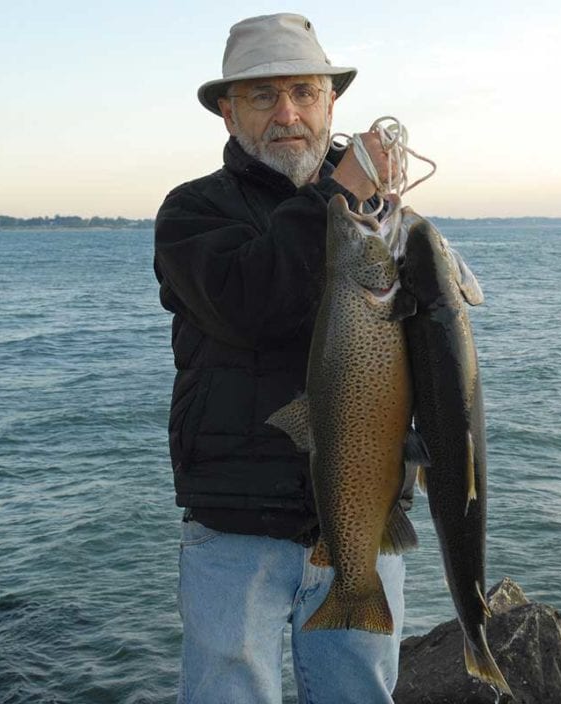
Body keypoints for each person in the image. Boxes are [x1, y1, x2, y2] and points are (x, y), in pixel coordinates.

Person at [152, 12, 412, 704]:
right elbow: (252, 303)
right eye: (264, 97)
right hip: (237, 527)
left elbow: (426, 347)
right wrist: (338, 195)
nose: (288, 114)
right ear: (228, 113)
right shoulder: (192, 213)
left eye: (304, 92)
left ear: (333, 104)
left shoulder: (378, 214)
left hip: (364, 523)